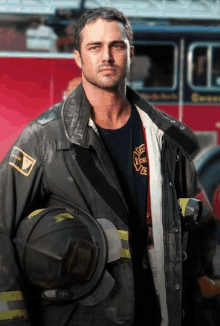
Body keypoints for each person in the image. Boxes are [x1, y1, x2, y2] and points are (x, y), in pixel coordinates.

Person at [0, 6, 218, 326]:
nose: (107, 57)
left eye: (116, 46)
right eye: (95, 47)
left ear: (130, 54)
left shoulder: (166, 139)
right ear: (78, 58)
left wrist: (203, 298)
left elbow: (200, 222)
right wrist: (14, 316)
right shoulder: (43, 139)